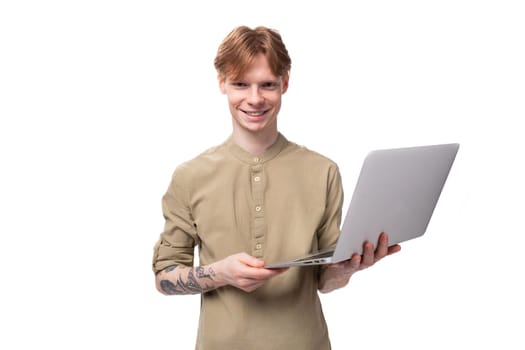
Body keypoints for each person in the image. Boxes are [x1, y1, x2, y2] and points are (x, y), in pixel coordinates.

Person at [152, 25, 401, 350]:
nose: (254, 99)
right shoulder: (189, 176)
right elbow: (164, 277)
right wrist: (220, 273)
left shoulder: (322, 171)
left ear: (285, 82)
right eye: (241, 84)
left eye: (267, 85)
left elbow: (325, 280)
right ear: (222, 83)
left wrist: (347, 269)